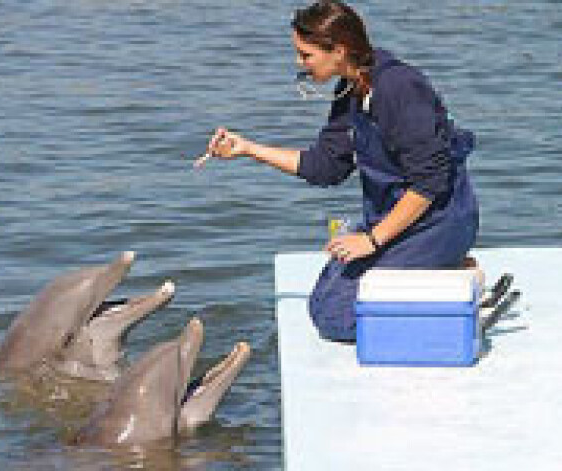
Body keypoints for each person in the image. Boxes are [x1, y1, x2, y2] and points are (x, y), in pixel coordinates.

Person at [205, 0, 479, 342]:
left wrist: (372, 240)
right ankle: (433, 271)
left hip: (440, 220)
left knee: (339, 318)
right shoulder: (350, 89)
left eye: (305, 55)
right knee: (322, 301)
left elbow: (430, 181)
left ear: (339, 50)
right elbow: (326, 167)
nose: (299, 63)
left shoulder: (399, 87)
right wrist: (248, 149)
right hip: (395, 217)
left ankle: (456, 281)